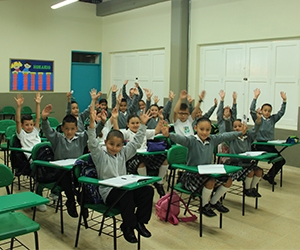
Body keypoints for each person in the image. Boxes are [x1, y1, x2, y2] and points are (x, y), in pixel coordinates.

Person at [88, 104, 154, 244]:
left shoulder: (123, 152)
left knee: (148, 190)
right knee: (127, 193)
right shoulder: (100, 155)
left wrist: (142, 124)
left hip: (124, 188)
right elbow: (92, 143)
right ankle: (128, 227)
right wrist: (92, 125)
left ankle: (140, 222)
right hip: (109, 192)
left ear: (122, 145)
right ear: (105, 143)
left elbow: (136, 143)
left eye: (118, 145)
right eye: (111, 144)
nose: (115, 148)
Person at [161, 117, 247, 217]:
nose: (205, 132)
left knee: (228, 180)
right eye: (202, 129)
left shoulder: (212, 140)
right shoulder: (191, 140)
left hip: (208, 174)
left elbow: (225, 136)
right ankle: (204, 206)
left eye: (207, 130)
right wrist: (168, 135)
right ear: (196, 128)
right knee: (210, 181)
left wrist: (240, 133)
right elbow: (181, 139)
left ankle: (213, 202)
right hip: (192, 176)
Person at [41, 90, 105, 218]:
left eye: (72, 129)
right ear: (62, 129)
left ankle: (83, 201)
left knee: (86, 177)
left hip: (76, 172)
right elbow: (47, 130)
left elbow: (93, 133)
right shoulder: (57, 138)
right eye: (66, 129)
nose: (69, 132)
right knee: (66, 176)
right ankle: (70, 201)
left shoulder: (81, 138)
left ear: (76, 129)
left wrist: (102, 123)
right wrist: (44, 118)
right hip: (60, 173)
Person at [118, 114, 168, 197]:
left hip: (146, 156)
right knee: (141, 163)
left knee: (164, 160)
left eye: (137, 123)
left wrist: (161, 121)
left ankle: (159, 182)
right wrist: (115, 118)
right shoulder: (127, 133)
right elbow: (117, 132)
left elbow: (156, 131)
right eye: (132, 123)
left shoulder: (144, 131)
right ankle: (145, 184)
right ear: (128, 124)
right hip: (133, 158)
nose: (135, 125)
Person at [15, 92, 45, 211]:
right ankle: (38, 196)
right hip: (33, 159)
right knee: (42, 173)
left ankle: (55, 191)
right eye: (27, 125)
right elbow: (17, 121)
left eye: (31, 124)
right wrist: (19, 106)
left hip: (43, 156)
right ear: (22, 126)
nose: (30, 127)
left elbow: (38, 117)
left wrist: (38, 104)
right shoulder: (21, 134)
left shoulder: (35, 131)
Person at [250, 88, 287, 185]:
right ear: (261, 110)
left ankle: (269, 175)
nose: (267, 112)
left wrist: (284, 101)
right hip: (260, 145)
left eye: (269, 111)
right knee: (255, 162)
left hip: (270, 146)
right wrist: (255, 98)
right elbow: (251, 110)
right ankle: (252, 176)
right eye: (265, 110)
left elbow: (281, 113)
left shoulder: (272, 119)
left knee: (281, 161)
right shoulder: (258, 119)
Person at [228, 111, 263, 197]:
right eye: (235, 127)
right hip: (237, 164)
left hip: (248, 163)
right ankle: (247, 189)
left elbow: (256, 130)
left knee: (259, 171)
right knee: (250, 172)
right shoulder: (232, 138)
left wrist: (258, 119)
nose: (237, 128)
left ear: (244, 127)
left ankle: (252, 187)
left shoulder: (248, 137)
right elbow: (226, 128)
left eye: (240, 126)